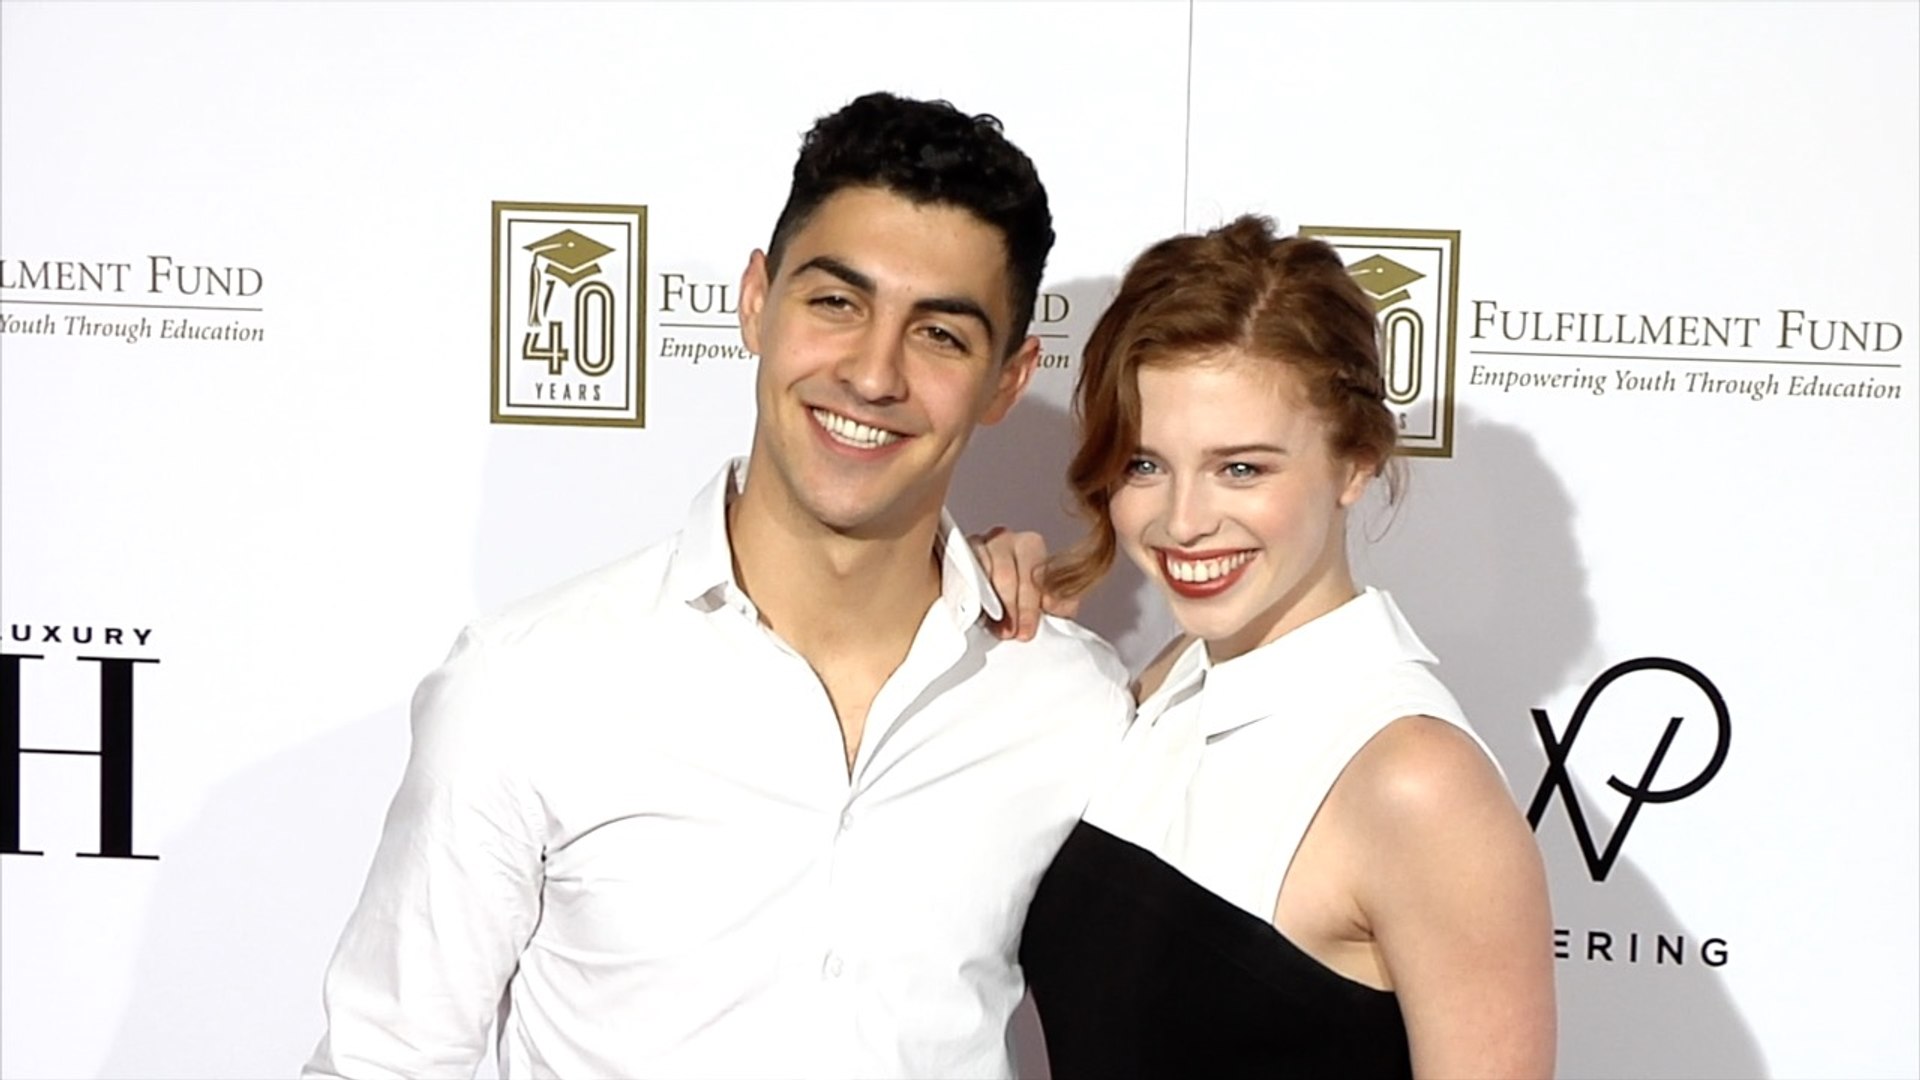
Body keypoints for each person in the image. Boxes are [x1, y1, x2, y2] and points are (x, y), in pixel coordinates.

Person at [302, 92, 1130, 1080]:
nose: (874, 374)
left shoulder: (1072, 705)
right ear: (755, 302)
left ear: (1008, 378)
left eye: (940, 335)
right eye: (836, 304)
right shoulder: (528, 684)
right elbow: (384, 1060)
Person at [1010, 216, 1556, 1078]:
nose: (1184, 521)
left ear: (1356, 462)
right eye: (1146, 465)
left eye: (1242, 469)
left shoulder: (1416, 783)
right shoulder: (1176, 677)